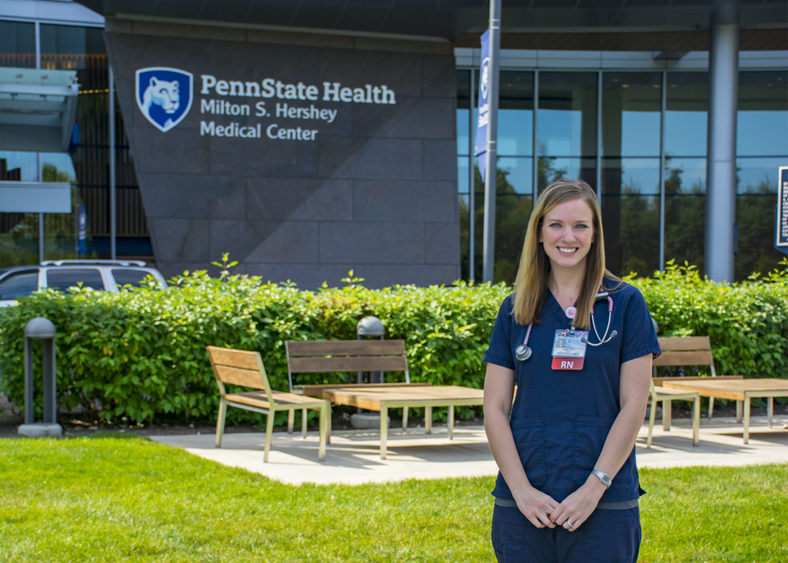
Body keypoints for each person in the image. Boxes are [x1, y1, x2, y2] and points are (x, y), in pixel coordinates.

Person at [483, 178, 660, 563]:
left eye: (581, 225)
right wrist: (521, 489)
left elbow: (635, 403)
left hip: (605, 501)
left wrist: (594, 488)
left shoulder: (625, 303)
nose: (569, 236)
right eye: (556, 225)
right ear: (540, 232)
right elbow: (495, 407)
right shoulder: (515, 310)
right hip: (527, 501)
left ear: (594, 235)